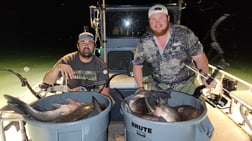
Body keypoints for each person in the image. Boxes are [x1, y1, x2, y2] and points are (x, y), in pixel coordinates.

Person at [133, 4, 215, 95]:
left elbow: (200, 58)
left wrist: (204, 77)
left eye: (161, 18)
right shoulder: (144, 40)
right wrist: (140, 88)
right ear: (149, 22)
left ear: (168, 18)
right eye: (153, 19)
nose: (158, 23)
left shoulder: (184, 33)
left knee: (194, 108)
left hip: (186, 86)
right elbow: (137, 66)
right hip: (158, 87)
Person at [42, 31, 110, 96]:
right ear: (78, 46)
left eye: (90, 43)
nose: (86, 45)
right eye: (82, 43)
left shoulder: (101, 65)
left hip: (90, 100)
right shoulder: (67, 60)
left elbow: (105, 92)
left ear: (94, 47)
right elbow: (47, 81)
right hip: (68, 98)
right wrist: (57, 68)